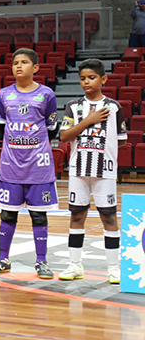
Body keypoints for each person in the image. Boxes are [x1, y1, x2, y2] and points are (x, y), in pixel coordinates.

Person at [0, 48, 59, 279]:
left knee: (38, 216)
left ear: (35, 68)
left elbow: (51, 130)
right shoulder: (4, 94)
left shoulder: (47, 95)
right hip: (11, 166)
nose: (18, 66)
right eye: (15, 62)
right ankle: (3, 259)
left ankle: (42, 262)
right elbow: (3, 128)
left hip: (38, 166)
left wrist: (33, 146)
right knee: (7, 215)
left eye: (24, 62)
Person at [58, 59, 127, 284]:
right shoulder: (73, 106)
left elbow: (121, 141)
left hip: (105, 170)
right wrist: (89, 120)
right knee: (77, 215)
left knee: (109, 217)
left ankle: (114, 268)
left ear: (103, 79)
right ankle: (74, 265)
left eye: (91, 77)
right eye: (82, 78)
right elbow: (64, 136)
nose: (86, 82)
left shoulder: (114, 107)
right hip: (78, 170)